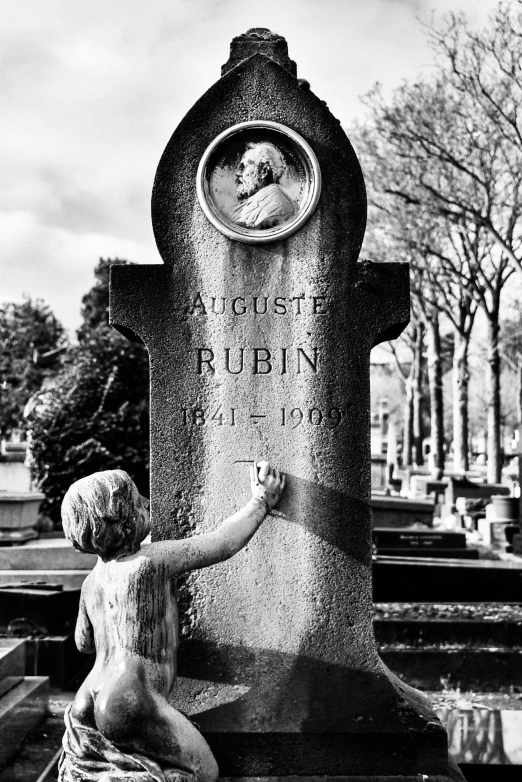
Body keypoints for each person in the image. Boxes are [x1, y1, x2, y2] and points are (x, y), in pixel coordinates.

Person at [58, 462, 285, 782]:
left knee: (105, 767)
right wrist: (261, 501)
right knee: (203, 771)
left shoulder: (91, 583)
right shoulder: (151, 561)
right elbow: (222, 543)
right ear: (120, 522)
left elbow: (83, 644)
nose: (148, 503)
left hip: (86, 698)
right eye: (137, 502)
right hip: (129, 696)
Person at [229, 142, 295, 229]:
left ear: (264, 171)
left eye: (244, 167)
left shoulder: (278, 208)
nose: (239, 173)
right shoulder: (248, 203)